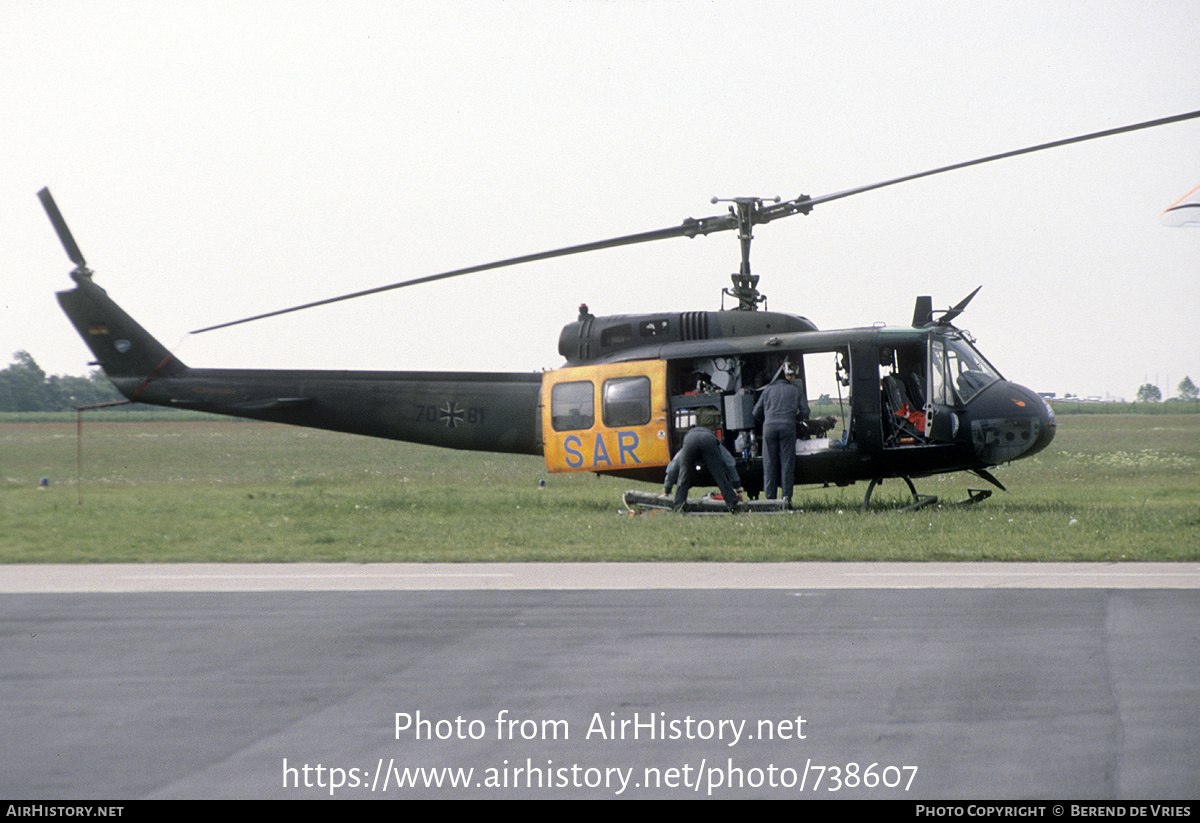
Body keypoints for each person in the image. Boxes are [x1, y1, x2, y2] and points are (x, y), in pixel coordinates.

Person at [754, 363, 808, 505]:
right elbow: (806, 411)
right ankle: (786, 499)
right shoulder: (796, 390)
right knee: (787, 464)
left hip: (769, 428)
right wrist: (797, 419)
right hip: (788, 427)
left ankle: (770, 500)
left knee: (769, 464)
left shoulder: (767, 390)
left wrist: (766, 421)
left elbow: (755, 412)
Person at [667, 426, 743, 513]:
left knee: (683, 475)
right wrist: (738, 490)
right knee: (720, 476)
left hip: (690, 440)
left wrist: (667, 490)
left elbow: (674, 465)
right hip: (708, 440)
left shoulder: (688, 440)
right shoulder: (715, 441)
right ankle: (733, 506)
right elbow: (729, 463)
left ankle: (679, 507)